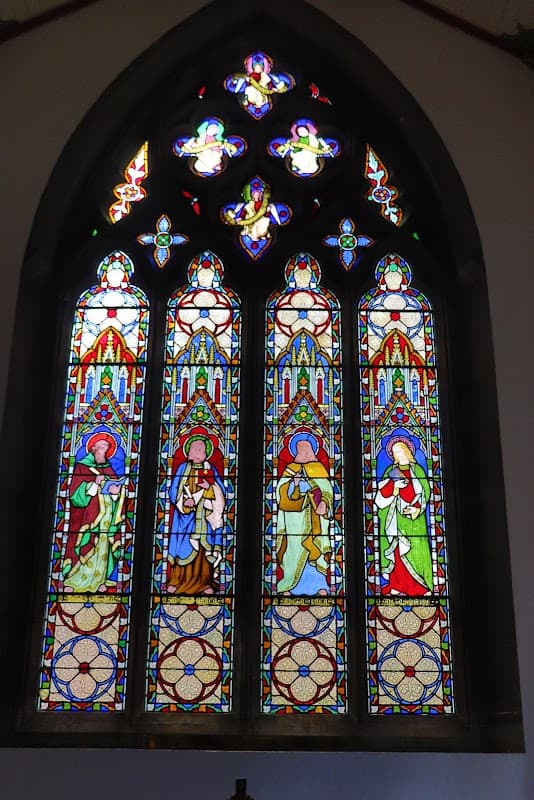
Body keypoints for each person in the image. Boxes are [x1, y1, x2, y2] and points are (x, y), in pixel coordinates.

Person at [63, 431, 125, 593]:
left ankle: (99, 580)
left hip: (106, 518)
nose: (104, 452)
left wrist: (115, 491)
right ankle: (76, 579)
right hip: (88, 519)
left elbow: (116, 490)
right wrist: (94, 485)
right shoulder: (82, 467)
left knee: (103, 547)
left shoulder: (107, 467)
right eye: (102, 448)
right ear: (93, 448)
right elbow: (75, 496)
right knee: (87, 543)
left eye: (107, 449)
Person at [374, 436, 433, 596]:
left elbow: (425, 493)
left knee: (415, 550)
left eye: (399, 451)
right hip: (395, 518)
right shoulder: (390, 471)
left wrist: (416, 508)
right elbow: (382, 494)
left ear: (407, 452)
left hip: (414, 519)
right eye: (394, 452)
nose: (396, 455)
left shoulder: (417, 470)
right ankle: (398, 586)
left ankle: (420, 586)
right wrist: (394, 487)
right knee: (397, 551)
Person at [167, 435, 225, 595]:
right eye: (196, 449)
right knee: (183, 548)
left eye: (202, 449)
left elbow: (221, 491)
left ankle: (205, 582)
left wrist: (209, 488)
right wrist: (183, 502)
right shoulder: (183, 468)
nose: (199, 452)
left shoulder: (210, 468)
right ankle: (176, 581)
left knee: (203, 550)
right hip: (185, 517)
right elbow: (173, 490)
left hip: (205, 516)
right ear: (189, 452)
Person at [276, 432, 332, 595]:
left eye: (306, 448)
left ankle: (319, 585)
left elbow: (327, 490)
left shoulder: (318, 468)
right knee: (292, 552)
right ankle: (290, 586)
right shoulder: (291, 469)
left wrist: (322, 501)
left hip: (314, 518)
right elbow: (281, 491)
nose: (303, 451)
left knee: (315, 550)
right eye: (300, 448)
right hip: (293, 520)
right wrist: (294, 484)